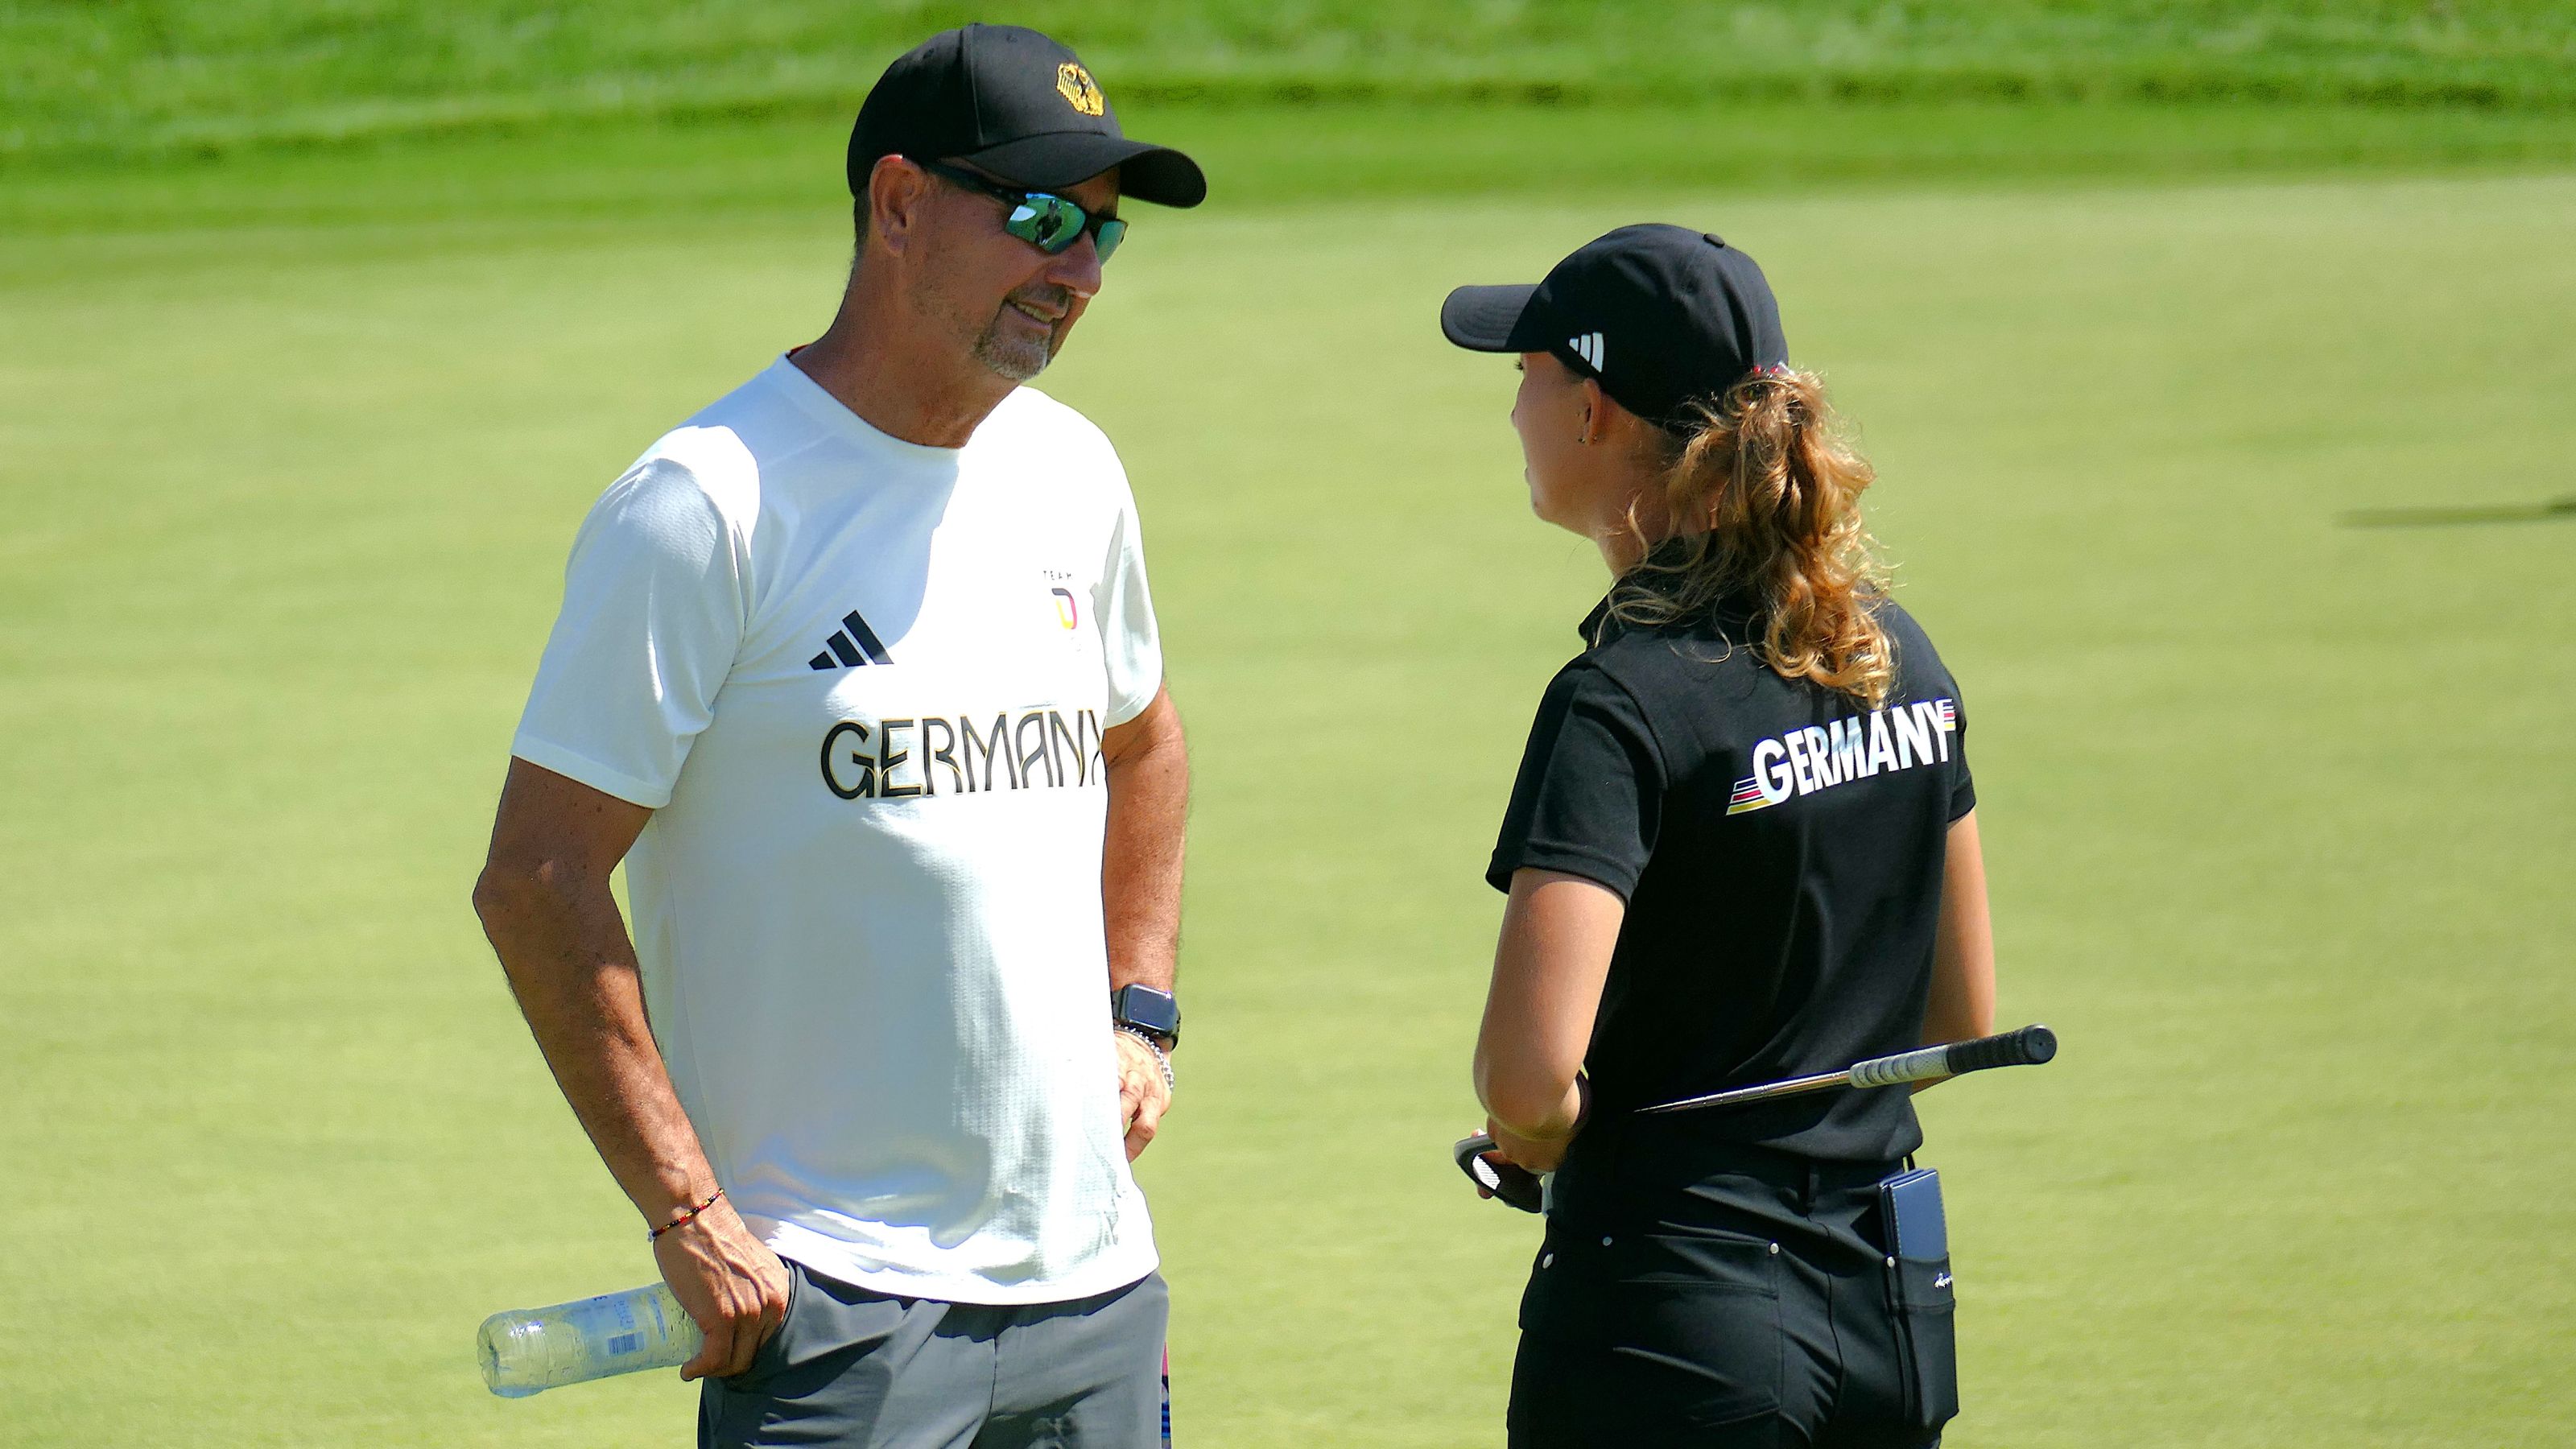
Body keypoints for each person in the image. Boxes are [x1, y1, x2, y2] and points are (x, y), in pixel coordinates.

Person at [470, 25, 1202, 1449]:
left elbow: (1145, 743)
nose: (1082, 273)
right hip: (834, 1310)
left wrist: (1142, 1010)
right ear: (898, 204)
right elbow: (537, 878)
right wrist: (686, 1210)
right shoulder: (706, 505)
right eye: (1045, 220)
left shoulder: (1075, 471)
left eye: (1104, 237)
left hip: (1098, 1286)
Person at [1439, 225, 1997, 1447]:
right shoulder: (1901, 656)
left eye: (1525, 373)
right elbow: (1958, 1017)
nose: (1516, 405)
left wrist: (1531, 1138)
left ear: (1592, 410)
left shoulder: (1619, 699)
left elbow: (1528, 1082)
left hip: (1674, 1322)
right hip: (1886, 1303)